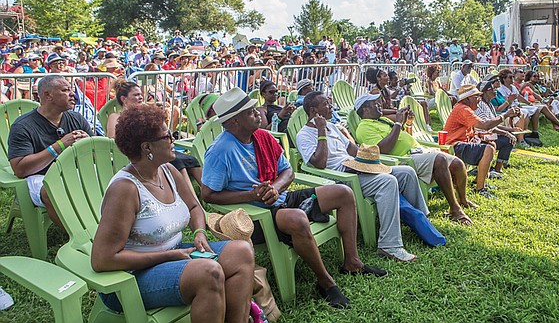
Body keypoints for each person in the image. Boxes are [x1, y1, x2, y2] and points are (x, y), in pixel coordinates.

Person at [201, 88, 386, 309]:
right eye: (250, 112)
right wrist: (252, 194)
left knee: (343, 193)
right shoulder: (220, 151)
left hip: (279, 198)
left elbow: (288, 171)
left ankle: (352, 262)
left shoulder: (263, 137)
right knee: (297, 219)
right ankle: (325, 282)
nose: (258, 114)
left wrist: (276, 188)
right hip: (253, 216)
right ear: (233, 122)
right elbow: (208, 194)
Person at [92, 104, 254, 322]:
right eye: (167, 136)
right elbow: (103, 260)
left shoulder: (167, 171)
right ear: (147, 147)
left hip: (174, 256)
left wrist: (199, 232)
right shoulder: (125, 189)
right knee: (209, 272)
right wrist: (168, 256)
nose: (173, 139)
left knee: (242, 252)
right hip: (128, 277)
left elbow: (195, 206)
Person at [297, 91, 426, 262]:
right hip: (340, 178)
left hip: (356, 168)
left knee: (406, 173)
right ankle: (389, 245)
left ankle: (423, 223)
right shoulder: (304, 135)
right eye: (326, 104)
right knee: (387, 182)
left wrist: (370, 162)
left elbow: (354, 151)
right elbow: (319, 163)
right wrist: (321, 132)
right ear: (314, 111)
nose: (331, 107)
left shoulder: (333, 127)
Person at [354, 93, 475, 224]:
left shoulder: (382, 120)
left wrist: (406, 122)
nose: (379, 105)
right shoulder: (363, 128)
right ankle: (455, 210)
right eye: (374, 104)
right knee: (440, 160)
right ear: (365, 110)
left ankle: (462, 199)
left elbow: (403, 135)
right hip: (404, 159)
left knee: (457, 164)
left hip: (418, 151)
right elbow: (382, 150)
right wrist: (398, 123)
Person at [8, 75, 93, 227]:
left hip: (73, 171)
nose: (73, 94)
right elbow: (20, 169)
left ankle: (102, 225)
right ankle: (79, 236)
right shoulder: (23, 126)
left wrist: (88, 145)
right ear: (48, 95)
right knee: (51, 190)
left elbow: (95, 156)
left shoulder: (76, 118)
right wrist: (59, 146)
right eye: (65, 90)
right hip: (39, 176)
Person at [107, 80, 197, 183]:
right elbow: (112, 139)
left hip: (156, 149)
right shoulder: (115, 116)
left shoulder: (145, 116)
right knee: (177, 162)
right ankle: (188, 194)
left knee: (191, 160)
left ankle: (205, 193)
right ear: (123, 99)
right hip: (138, 154)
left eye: (141, 94)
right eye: (136, 95)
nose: (140, 97)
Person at [443, 85, 520, 199]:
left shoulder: (465, 108)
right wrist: (505, 115)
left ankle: (480, 181)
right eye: (477, 96)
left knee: (491, 143)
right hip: (454, 147)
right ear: (468, 98)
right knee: (488, 148)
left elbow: (482, 127)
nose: (479, 99)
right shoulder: (463, 109)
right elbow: (485, 125)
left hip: (463, 143)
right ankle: (480, 189)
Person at [474, 77, 517, 177]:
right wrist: (506, 131)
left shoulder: (489, 104)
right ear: (484, 92)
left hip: (488, 133)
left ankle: (497, 167)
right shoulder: (480, 104)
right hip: (481, 136)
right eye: (492, 88)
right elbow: (487, 126)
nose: (495, 90)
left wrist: (510, 130)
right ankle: (497, 169)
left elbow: (493, 125)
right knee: (507, 139)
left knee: (508, 137)